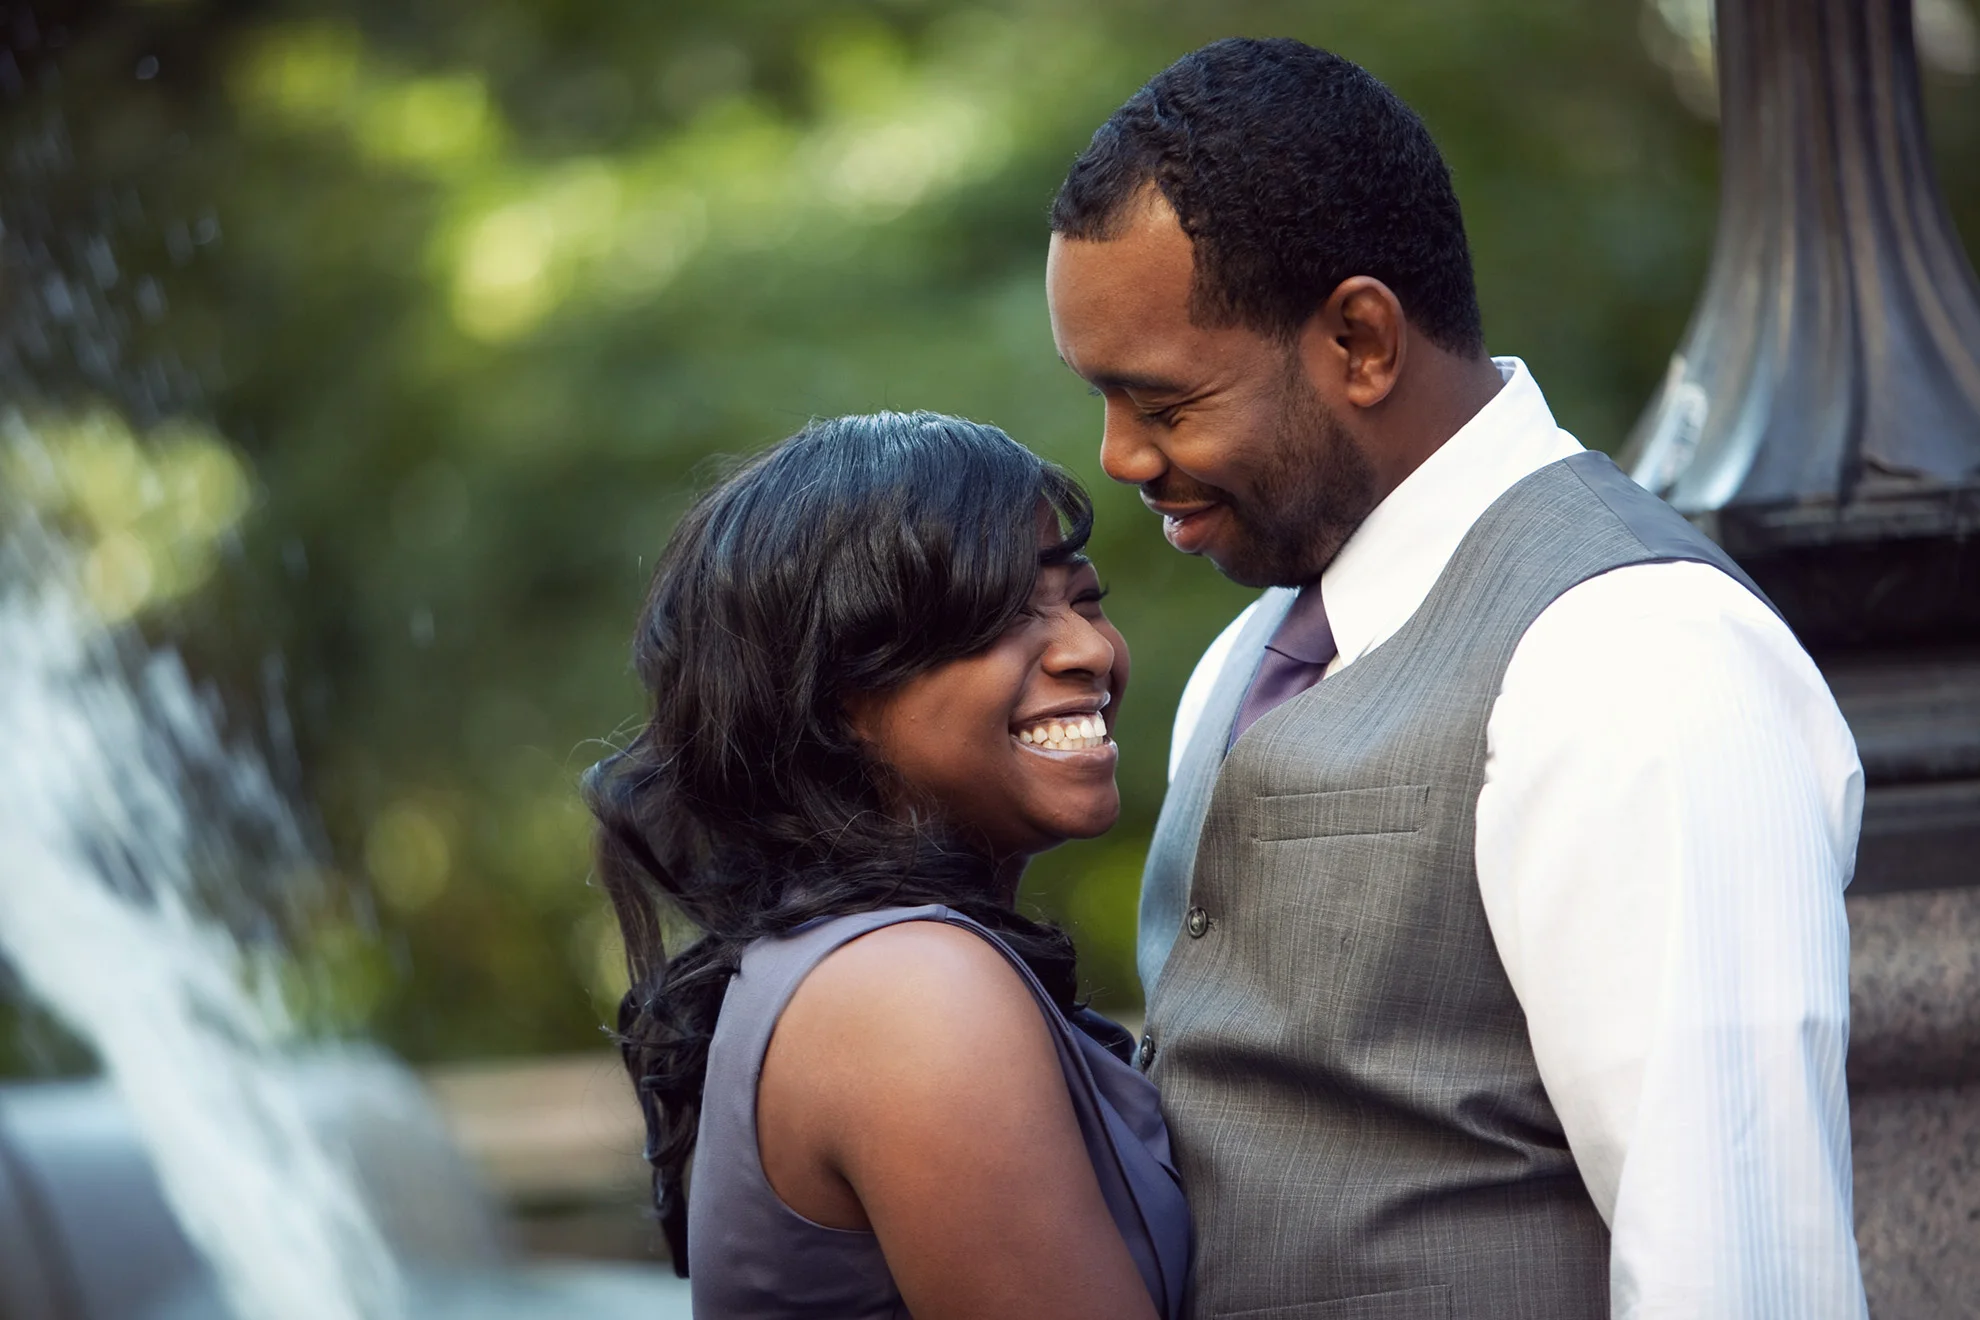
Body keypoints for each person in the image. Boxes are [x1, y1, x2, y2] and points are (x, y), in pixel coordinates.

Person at [1045, 37, 1866, 1320]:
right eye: (1099, 398)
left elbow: (1738, 1261)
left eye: (1163, 402)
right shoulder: (1240, 661)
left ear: (1361, 340)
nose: (1118, 458)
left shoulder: (1637, 652)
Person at [583, 412, 1188, 1319]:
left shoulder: (847, 963)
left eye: (1085, 600)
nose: (1090, 650)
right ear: (839, 695)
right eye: (1003, 615)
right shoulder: (907, 990)